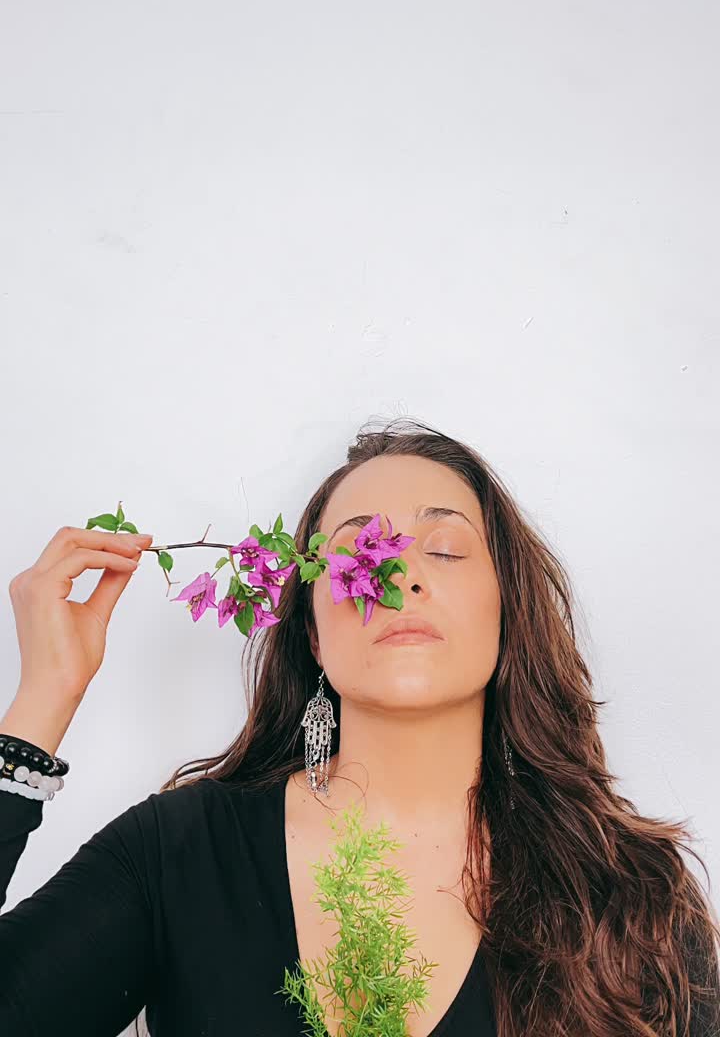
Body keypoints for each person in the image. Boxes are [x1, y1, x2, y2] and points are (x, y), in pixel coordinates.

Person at [1, 417, 718, 1037]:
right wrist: (42, 701)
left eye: (444, 550)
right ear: (312, 632)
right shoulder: (178, 853)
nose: (399, 575)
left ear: (508, 615)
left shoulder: (627, 891)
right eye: (356, 557)